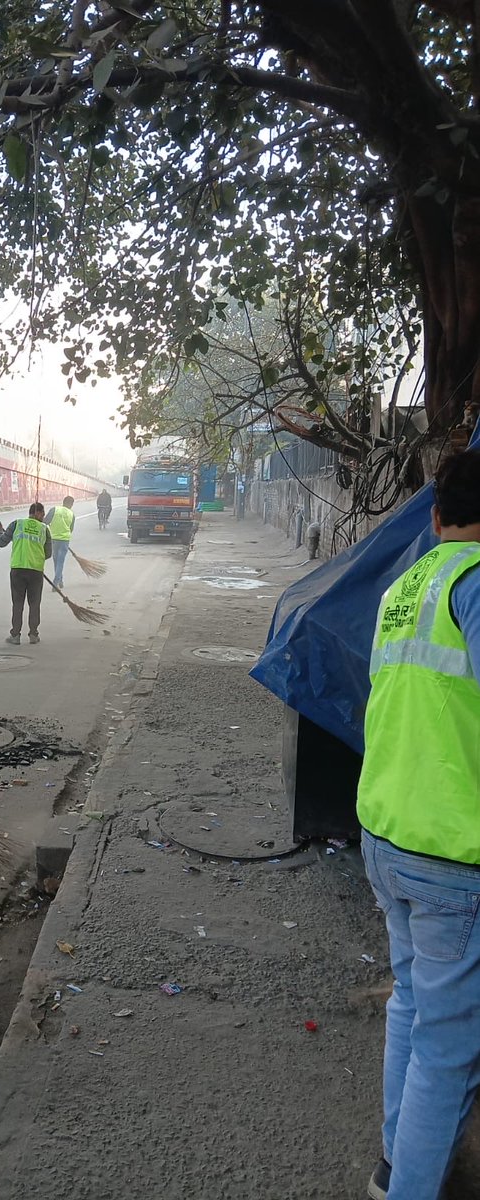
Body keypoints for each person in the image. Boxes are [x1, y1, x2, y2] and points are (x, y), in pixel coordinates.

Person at [357, 447, 480, 1200]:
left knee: (409, 1004)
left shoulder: (405, 585)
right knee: (447, 1044)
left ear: (436, 518)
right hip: (451, 854)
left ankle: (393, 1164)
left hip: (386, 836)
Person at [0, 503, 52, 645]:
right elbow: (48, 554)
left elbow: (2, 543)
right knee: (34, 603)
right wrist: (35, 556)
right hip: (36, 572)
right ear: (37, 513)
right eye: (43, 514)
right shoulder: (45, 529)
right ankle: (33, 634)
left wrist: (0, 531)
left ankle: (15, 635)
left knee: (17, 603)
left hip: (18, 570)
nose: (43, 517)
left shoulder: (16, 524)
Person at [44, 495, 75, 588]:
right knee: (60, 561)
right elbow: (71, 529)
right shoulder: (72, 514)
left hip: (54, 539)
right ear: (71, 504)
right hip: (65, 540)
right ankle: (58, 580)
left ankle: (57, 580)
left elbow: (45, 522)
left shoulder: (54, 510)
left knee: (56, 560)